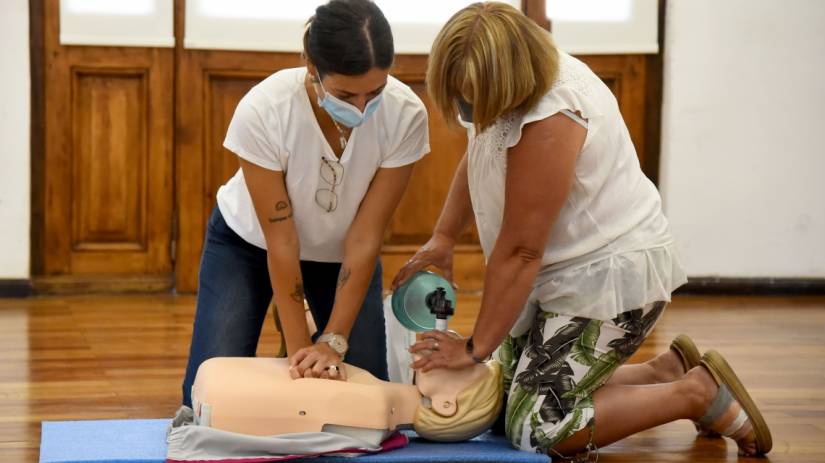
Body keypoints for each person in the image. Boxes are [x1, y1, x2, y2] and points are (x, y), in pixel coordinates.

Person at [394, 2, 771, 459]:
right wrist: (444, 237)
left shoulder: (553, 115)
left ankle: (695, 391)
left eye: (474, 97)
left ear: (506, 82)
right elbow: (483, 150)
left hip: (605, 281)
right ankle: (663, 371)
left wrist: (473, 349)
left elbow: (521, 252)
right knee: (500, 396)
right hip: (559, 276)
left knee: (536, 428)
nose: (468, 109)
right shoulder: (515, 73)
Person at [180, 0, 430, 408]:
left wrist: (332, 342)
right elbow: (283, 241)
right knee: (202, 401)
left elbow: (366, 236)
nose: (362, 108)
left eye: (376, 91)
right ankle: (297, 323)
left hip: (343, 253)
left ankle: (314, 320)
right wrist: (302, 353)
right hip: (250, 244)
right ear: (311, 68)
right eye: (346, 94)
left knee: (364, 391)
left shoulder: (406, 115)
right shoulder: (264, 110)